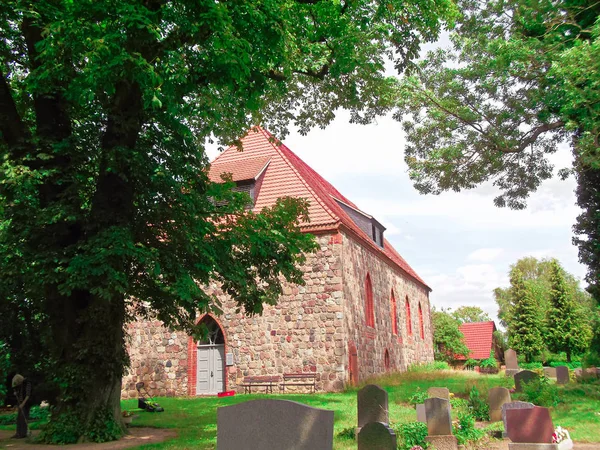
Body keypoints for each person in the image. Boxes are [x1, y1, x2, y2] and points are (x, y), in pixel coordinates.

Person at [12, 374, 32, 439]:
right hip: (20, 403)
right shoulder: (21, 385)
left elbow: (27, 395)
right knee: (19, 418)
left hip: (26, 404)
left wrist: (23, 404)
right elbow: (19, 393)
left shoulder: (27, 383)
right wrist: (16, 393)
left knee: (23, 418)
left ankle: (23, 434)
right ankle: (18, 433)